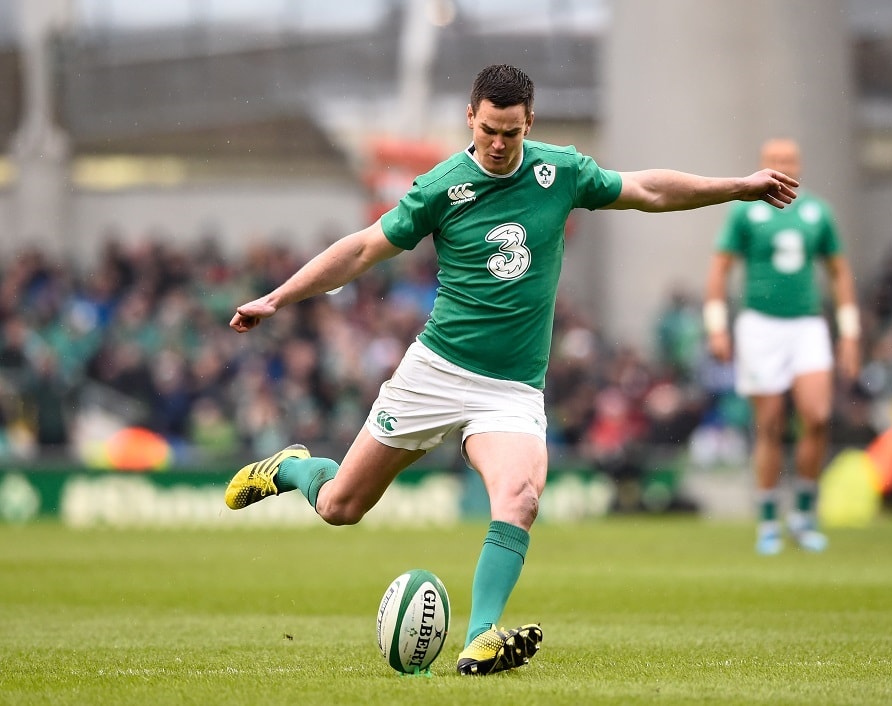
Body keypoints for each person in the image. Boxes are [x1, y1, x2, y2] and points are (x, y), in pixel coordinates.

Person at [224, 64, 800, 675]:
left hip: (511, 390)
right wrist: (279, 298)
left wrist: (737, 186)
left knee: (519, 497)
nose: (499, 145)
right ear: (471, 118)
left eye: (512, 133)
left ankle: (480, 637)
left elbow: (648, 190)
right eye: (490, 131)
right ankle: (293, 468)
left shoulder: (561, 172)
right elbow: (365, 248)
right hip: (436, 371)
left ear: (530, 123)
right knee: (341, 506)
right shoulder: (442, 186)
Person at [703, 137, 860, 556]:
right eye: (774, 160)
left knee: (818, 416)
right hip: (760, 327)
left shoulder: (816, 212)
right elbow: (720, 270)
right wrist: (717, 326)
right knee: (770, 424)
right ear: (761, 165)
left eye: (788, 160)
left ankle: (805, 514)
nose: (781, 166)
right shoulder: (745, 211)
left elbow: (839, 272)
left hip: (807, 324)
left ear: (799, 166)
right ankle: (769, 519)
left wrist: (850, 333)